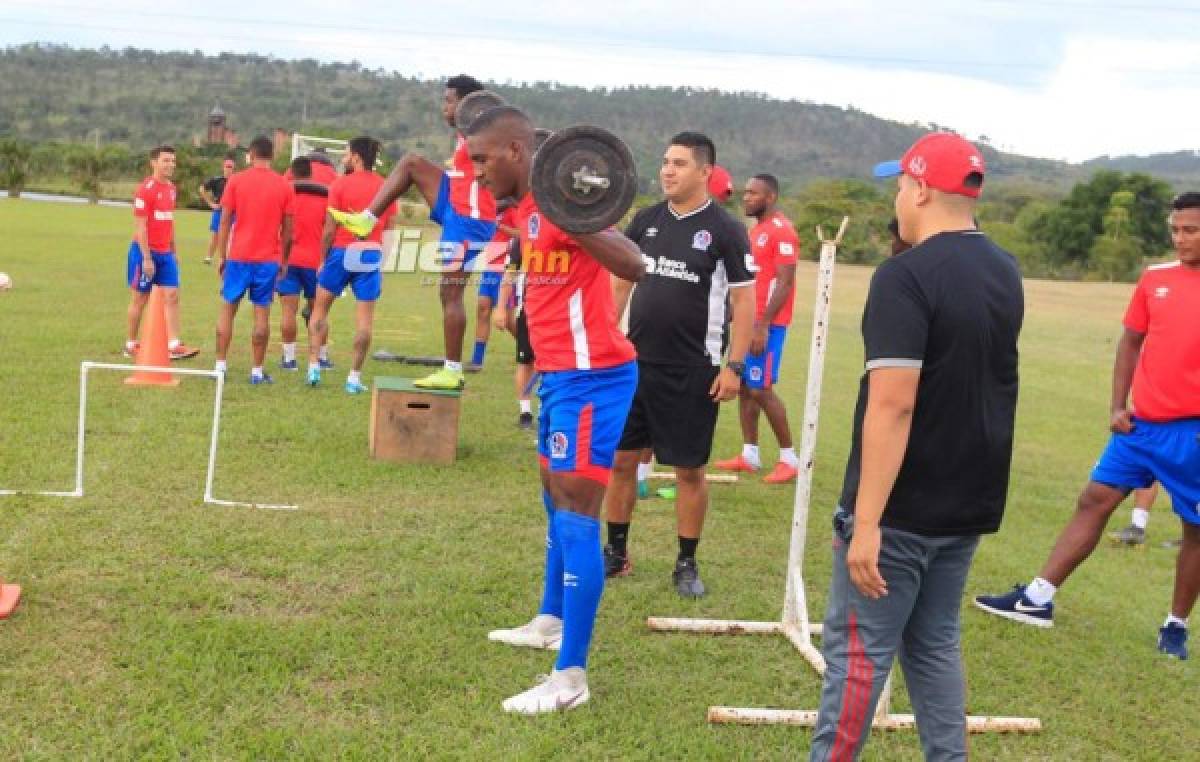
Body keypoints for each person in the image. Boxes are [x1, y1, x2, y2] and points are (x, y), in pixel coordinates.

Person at [809, 132, 1023, 761]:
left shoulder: (905, 275)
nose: (899, 197)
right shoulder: (1003, 268)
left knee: (856, 656)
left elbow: (894, 402)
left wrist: (866, 520)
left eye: (901, 184)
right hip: (967, 502)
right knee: (933, 644)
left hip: (901, 511)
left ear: (923, 187)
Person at [468, 106, 645, 714]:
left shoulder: (558, 207)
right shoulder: (525, 211)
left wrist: (573, 210)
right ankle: (549, 620)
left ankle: (571, 677)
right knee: (553, 495)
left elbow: (633, 264)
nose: (476, 170)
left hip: (593, 379)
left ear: (517, 152)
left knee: (576, 513)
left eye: (483, 159)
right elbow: (525, 237)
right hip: (558, 377)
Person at [975, 192, 1200, 661]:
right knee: (1094, 499)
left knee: (1195, 531)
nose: (1181, 239)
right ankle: (1037, 599)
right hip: (1140, 427)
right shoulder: (1155, 278)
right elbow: (1131, 341)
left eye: (1191, 230)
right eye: (1175, 229)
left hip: (1192, 435)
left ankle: (1175, 626)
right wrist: (1118, 403)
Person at [604, 132, 755, 597]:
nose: (668, 170)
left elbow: (744, 302)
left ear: (705, 171)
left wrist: (736, 366)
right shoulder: (645, 221)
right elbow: (620, 284)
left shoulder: (726, 229)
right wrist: (609, 340)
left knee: (689, 470)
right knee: (622, 461)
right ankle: (616, 552)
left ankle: (686, 562)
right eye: (666, 162)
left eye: (680, 163)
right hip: (634, 363)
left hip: (694, 368)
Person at [330, 74, 497, 390]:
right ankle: (367, 219)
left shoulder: (484, 133)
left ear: (467, 104)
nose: (443, 107)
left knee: (450, 293)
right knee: (411, 164)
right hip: (454, 202)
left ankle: (452, 370)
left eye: (449, 101)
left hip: (469, 218)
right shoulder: (465, 136)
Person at [714, 174, 802, 484]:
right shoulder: (758, 231)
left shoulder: (782, 232)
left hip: (768, 325)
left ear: (771, 197)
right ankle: (750, 455)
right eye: (746, 192)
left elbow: (785, 281)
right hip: (748, 322)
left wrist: (762, 325)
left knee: (761, 388)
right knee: (746, 389)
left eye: (753, 193)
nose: (746, 197)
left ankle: (790, 459)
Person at [306, 137, 397, 394]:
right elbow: (390, 231)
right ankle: (353, 378)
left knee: (320, 309)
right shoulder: (386, 187)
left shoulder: (340, 184)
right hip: (370, 255)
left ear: (356, 156)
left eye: (346, 152)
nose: (343, 156)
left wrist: (323, 260)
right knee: (365, 322)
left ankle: (313, 367)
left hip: (341, 252)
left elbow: (329, 229)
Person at [213, 136, 294, 384]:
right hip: (267, 259)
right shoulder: (284, 185)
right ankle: (257, 371)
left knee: (228, 309)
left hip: (238, 256)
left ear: (250, 154)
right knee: (262, 315)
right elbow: (288, 229)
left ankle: (220, 366)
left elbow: (225, 220)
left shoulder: (236, 181)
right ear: (272, 155)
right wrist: (283, 259)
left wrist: (222, 255)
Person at [124, 144, 198, 361]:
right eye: (166, 160)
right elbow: (141, 227)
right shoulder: (145, 189)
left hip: (165, 254)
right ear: (154, 162)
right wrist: (147, 258)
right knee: (140, 298)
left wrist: (173, 250)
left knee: (172, 295)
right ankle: (130, 343)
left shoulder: (171, 189)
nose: (171, 165)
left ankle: (173, 344)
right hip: (144, 253)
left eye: (173, 161)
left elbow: (169, 220)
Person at [277, 157, 328, 371]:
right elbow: (329, 232)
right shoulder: (325, 198)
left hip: (289, 260)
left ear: (292, 173)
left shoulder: (285, 196)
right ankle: (322, 358)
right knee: (319, 311)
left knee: (288, 311)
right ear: (311, 173)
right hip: (315, 262)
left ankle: (289, 359)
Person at [493, 228, 537, 429]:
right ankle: (525, 412)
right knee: (525, 362)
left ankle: (550, 410)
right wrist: (501, 308)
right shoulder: (523, 238)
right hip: (530, 310)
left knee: (556, 365)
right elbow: (509, 274)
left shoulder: (569, 230)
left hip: (561, 313)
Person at [469, 198, 520, 372]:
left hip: (506, 268)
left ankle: (531, 352)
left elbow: (522, 234)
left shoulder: (513, 211)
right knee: (482, 309)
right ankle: (476, 361)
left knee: (508, 320)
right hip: (490, 267)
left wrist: (500, 227)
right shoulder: (491, 211)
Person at [200, 156, 236, 264]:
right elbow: (202, 189)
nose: (229, 169)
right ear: (223, 167)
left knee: (232, 235)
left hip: (233, 212)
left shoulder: (236, 181)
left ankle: (230, 257)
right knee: (215, 234)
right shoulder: (217, 180)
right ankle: (209, 257)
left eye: (231, 167)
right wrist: (210, 203)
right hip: (219, 210)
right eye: (227, 166)